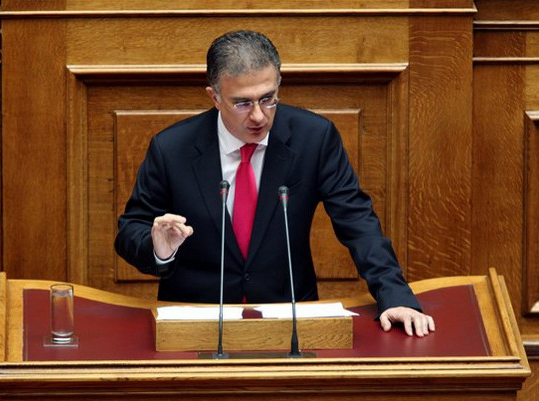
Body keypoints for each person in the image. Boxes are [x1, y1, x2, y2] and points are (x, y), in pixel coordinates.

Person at [115, 30, 435, 337]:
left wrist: (394, 295)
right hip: (195, 320)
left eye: (268, 99)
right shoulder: (172, 149)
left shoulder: (314, 138)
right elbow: (131, 229)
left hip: (288, 318)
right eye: (243, 103)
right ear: (215, 97)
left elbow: (357, 221)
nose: (258, 116)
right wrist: (159, 248)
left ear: (279, 83)